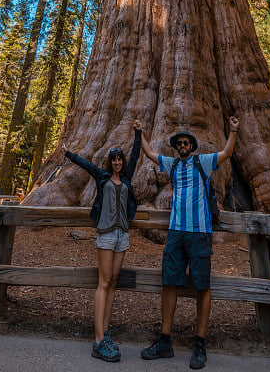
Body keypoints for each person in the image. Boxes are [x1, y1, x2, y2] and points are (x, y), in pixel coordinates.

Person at [137, 116, 240, 370]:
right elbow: (150, 153)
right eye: (179, 143)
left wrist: (233, 130)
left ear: (192, 146)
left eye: (186, 143)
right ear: (176, 147)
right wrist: (140, 132)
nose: (182, 145)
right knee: (169, 282)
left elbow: (226, 153)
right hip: (175, 232)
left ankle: (200, 343)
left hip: (199, 232)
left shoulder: (202, 162)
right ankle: (164, 340)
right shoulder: (171, 164)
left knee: (202, 285)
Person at [61, 122, 142, 363]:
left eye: (120, 160)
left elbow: (136, 155)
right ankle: (98, 340)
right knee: (103, 282)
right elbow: (85, 165)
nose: (117, 163)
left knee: (114, 282)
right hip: (106, 233)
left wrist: (137, 133)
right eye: (114, 160)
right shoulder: (102, 176)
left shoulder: (126, 179)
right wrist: (68, 154)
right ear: (109, 162)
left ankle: (106, 333)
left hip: (122, 235)